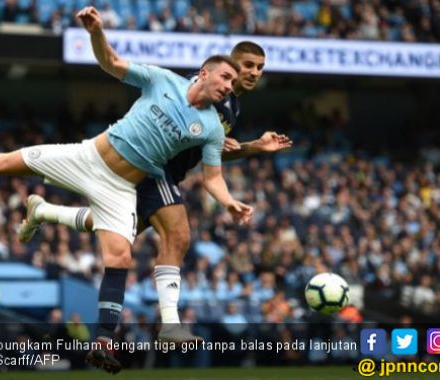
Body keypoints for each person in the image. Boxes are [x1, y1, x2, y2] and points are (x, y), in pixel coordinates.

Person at [0, 6, 252, 374]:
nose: (229, 86)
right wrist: (96, 32)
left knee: (120, 258)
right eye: (226, 77)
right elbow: (112, 63)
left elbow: (212, 177)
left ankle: (102, 341)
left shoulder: (213, 128)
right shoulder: (163, 80)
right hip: (87, 157)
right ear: (205, 72)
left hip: (120, 187)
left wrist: (229, 202)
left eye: (232, 82)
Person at [18, 40, 291, 343]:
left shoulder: (230, 107)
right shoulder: (200, 88)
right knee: (178, 234)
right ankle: (170, 324)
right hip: (153, 168)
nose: (254, 72)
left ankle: (43, 211)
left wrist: (253, 146)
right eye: (248, 65)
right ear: (228, 66)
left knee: (119, 227)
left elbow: (210, 152)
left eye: (260, 67)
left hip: (168, 175)